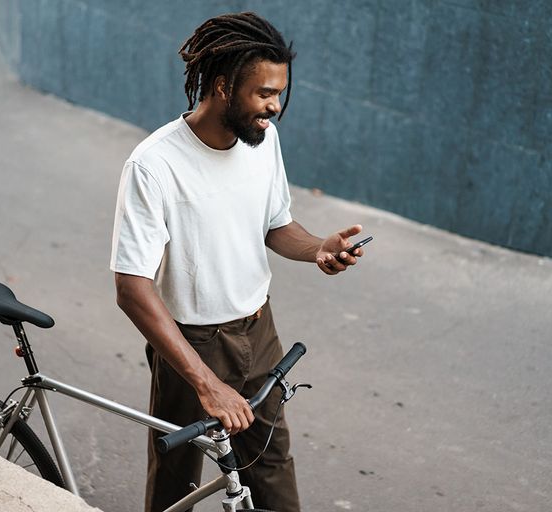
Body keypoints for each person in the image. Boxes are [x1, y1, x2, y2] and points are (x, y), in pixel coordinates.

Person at [110, 12, 366, 512]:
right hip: (193, 341)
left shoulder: (263, 140)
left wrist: (318, 248)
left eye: (279, 94)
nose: (274, 108)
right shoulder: (154, 165)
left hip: (259, 329)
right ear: (224, 87)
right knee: (175, 489)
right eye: (263, 94)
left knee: (271, 475)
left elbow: (275, 224)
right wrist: (206, 383)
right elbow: (131, 287)